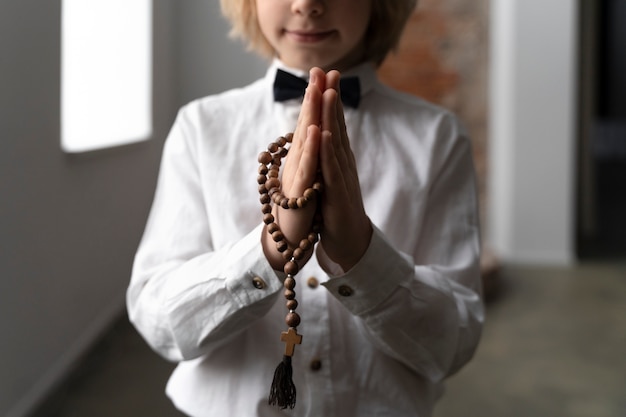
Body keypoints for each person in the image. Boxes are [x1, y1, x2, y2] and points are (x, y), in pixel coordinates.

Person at [127, 0, 484, 416]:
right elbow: (160, 323)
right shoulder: (201, 128)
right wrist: (269, 250)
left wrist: (362, 257)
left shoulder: (438, 138)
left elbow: (453, 346)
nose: (307, 4)